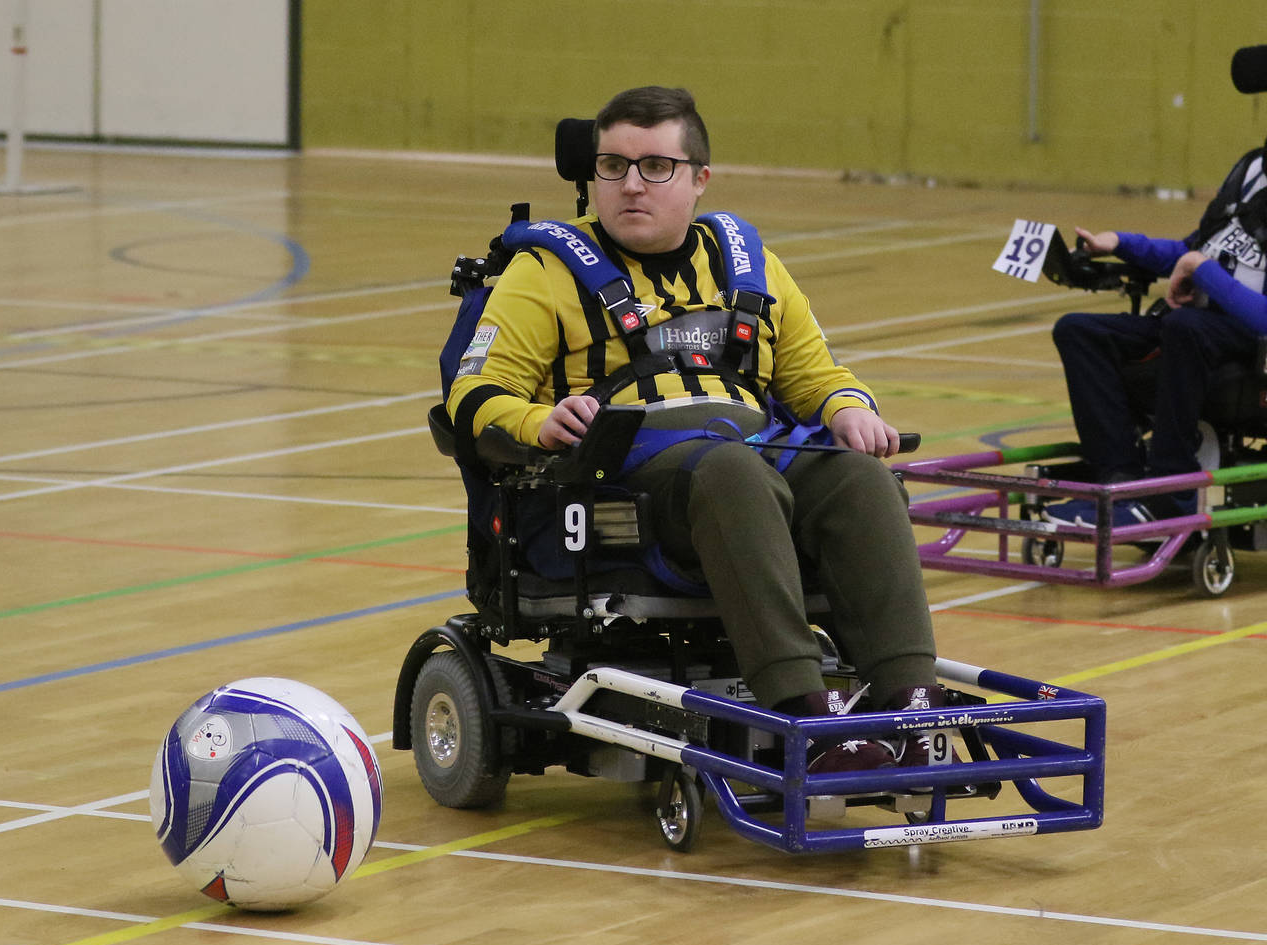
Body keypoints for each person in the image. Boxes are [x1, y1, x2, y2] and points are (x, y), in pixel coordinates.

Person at [446, 86, 943, 772]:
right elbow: (473, 394)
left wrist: (849, 407)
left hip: (748, 456)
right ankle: (801, 709)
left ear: (699, 179)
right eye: (612, 166)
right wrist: (538, 419)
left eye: (655, 167)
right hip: (614, 486)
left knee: (860, 479)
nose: (629, 185)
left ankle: (912, 704)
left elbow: (815, 374)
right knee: (731, 473)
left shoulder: (750, 265)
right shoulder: (543, 273)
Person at [1048, 49, 1267, 527]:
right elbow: (1195, 248)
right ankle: (1120, 481)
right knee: (1078, 331)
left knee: (1186, 327)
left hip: (1249, 341)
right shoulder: (1252, 169)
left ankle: (1172, 491)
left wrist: (1201, 270)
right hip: (1197, 328)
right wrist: (1120, 243)